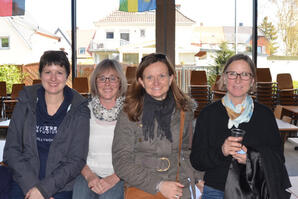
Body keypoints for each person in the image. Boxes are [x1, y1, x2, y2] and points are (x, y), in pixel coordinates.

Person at [190, 54, 291, 199]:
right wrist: (221, 151)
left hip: (254, 190)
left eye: (244, 74)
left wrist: (251, 159)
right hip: (217, 190)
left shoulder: (265, 115)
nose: (238, 79)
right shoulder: (208, 114)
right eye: (232, 74)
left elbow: (278, 158)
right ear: (224, 78)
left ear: (252, 81)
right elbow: (197, 160)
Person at [3, 50, 90, 199]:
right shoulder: (25, 102)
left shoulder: (79, 109)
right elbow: (11, 151)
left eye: (59, 72)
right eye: (48, 72)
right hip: (25, 183)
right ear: (40, 75)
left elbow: (76, 159)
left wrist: (44, 190)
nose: (53, 78)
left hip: (61, 187)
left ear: (67, 75)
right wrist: (34, 188)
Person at [112, 53, 199, 199]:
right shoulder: (129, 112)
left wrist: (199, 178)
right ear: (141, 81)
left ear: (171, 78)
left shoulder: (185, 111)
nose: (156, 82)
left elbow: (189, 151)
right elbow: (121, 161)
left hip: (179, 184)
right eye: (149, 77)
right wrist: (159, 184)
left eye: (162, 76)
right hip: (141, 185)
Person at [72, 59, 127, 199]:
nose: (107, 83)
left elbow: (137, 152)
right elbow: (74, 152)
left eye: (113, 78)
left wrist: (114, 178)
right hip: (86, 173)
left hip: (121, 176)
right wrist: (90, 176)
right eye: (102, 78)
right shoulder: (83, 112)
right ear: (95, 82)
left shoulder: (131, 113)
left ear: (120, 82)